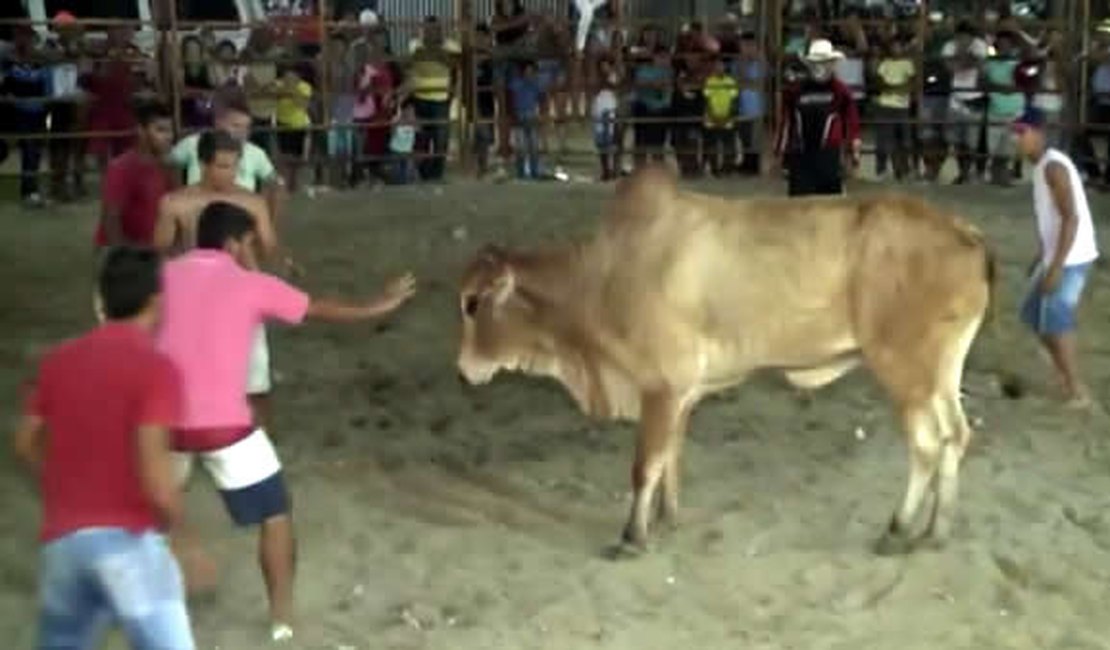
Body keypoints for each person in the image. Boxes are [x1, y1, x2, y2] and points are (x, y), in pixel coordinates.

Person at [156, 201, 417, 642]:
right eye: (249, 244)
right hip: (226, 427)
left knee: (151, 518)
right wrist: (381, 303)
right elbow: (322, 309)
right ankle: (282, 619)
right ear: (233, 243)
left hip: (163, 425)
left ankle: (152, 603)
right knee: (276, 514)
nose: (251, 252)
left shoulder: (164, 276)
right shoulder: (250, 284)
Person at [15, 247, 214, 650]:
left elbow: (24, 443)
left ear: (101, 300)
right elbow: (156, 476)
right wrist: (186, 540)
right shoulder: (156, 369)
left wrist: (62, 488)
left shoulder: (58, 361)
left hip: (63, 545)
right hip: (128, 543)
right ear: (159, 301)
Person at [1014, 108, 1100, 408]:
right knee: (1033, 313)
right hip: (1060, 252)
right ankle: (1063, 372)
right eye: (1016, 133)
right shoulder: (1043, 167)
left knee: (1056, 318)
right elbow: (1051, 219)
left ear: (1039, 133)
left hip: (1072, 254)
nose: (1017, 139)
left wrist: (1056, 266)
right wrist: (1043, 255)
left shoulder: (1053, 167)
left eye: (1022, 132)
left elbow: (1070, 218)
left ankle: (1075, 389)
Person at [168, 90, 285, 222]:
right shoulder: (192, 144)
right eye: (236, 126)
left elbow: (276, 183)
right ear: (218, 122)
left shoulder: (256, 153)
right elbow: (168, 164)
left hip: (240, 217)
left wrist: (269, 221)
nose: (242, 132)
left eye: (246, 127)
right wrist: (179, 193)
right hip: (196, 213)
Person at [774, 39, 860, 197]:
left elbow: (851, 122)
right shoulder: (795, 91)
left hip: (829, 155)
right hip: (802, 156)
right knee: (800, 205)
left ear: (832, 64)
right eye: (817, 62)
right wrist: (780, 153)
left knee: (832, 205)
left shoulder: (840, 91)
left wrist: (854, 151)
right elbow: (786, 123)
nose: (821, 67)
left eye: (825, 62)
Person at [96, 102, 176, 250]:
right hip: (127, 254)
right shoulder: (122, 168)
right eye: (161, 130)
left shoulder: (167, 166)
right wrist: (127, 256)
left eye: (170, 131)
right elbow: (111, 221)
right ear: (141, 131)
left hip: (154, 250)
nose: (169, 137)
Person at [872, 37, 915, 181]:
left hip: (902, 106)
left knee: (904, 141)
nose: (895, 49)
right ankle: (881, 170)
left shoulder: (908, 63)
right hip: (885, 105)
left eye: (898, 46)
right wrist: (896, 88)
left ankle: (903, 170)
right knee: (883, 139)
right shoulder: (885, 63)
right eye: (893, 46)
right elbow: (879, 82)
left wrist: (894, 88)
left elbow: (910, 84)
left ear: (903, 48)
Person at [702, 55, 740, 176]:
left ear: (725, 67)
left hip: (727, 117)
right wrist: (712, 115)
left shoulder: (731, 81)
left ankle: (727, 168)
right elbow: (707, 99)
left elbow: (734, 100)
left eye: (721, 65)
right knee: (712, 144)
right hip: (712, 117)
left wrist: (728, 115)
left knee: (728, 144)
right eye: (716, 65)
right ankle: (714, 168)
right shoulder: (709, 81)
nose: (719, 68)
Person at [509, 60, 544, 179]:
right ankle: (521, 172)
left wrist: (541, 113)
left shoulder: (536, 84)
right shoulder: (516, 83)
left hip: (531, 114)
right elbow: (511, 99)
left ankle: (534, 171)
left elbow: (541, 98)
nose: (529, 74)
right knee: (520, 146)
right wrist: (513, 115)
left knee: (534, 146)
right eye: (527, 71)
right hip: (519, 114)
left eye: (531, 71)